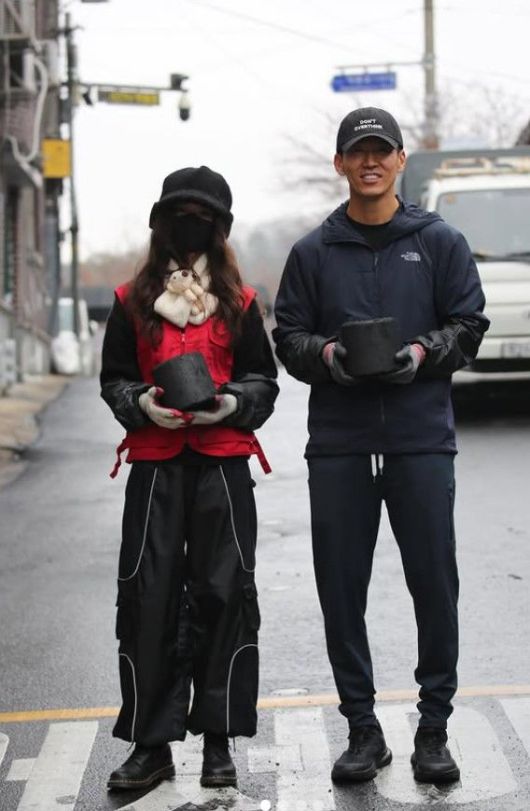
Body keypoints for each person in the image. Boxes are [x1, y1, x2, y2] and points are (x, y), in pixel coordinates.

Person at [273, 108, 489, 785]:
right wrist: (328, 355)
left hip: (420, 439)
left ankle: (434, 729)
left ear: (399, 160)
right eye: (357, 151)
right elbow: (288, 336)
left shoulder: (439, 241)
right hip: (339, 444)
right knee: (341, 590)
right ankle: (363, 730)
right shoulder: (313, 252)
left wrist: (422, 352)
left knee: (435, 585)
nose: (369, 162)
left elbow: (468, 323)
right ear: (340, 163)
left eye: (381, 150)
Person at [100, 165, 279, 792]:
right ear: (161, 223)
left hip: (222, 464)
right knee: (147, 597)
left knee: (224, 595)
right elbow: (114, 379)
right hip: (154, 467)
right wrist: (141, 404)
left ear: (220, 229)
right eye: (181, 215)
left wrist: (230, 403)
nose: (190, 226)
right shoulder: (130, 299)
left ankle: (218, 741)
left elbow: (263, 381)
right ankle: (150, 744)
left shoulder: (241, 301)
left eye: (203, 217)